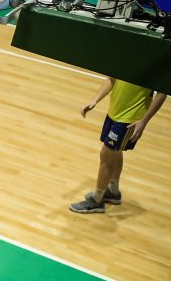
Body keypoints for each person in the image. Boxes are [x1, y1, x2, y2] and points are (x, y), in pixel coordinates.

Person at [69, 77, 166, 214]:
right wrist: (94, 100)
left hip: (130, 120)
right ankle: (113, 192)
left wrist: (144, 121)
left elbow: (162, 94)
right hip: (114, 113)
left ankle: (96, 201)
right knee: (115, 151)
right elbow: (112, 79)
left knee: (106, 155)